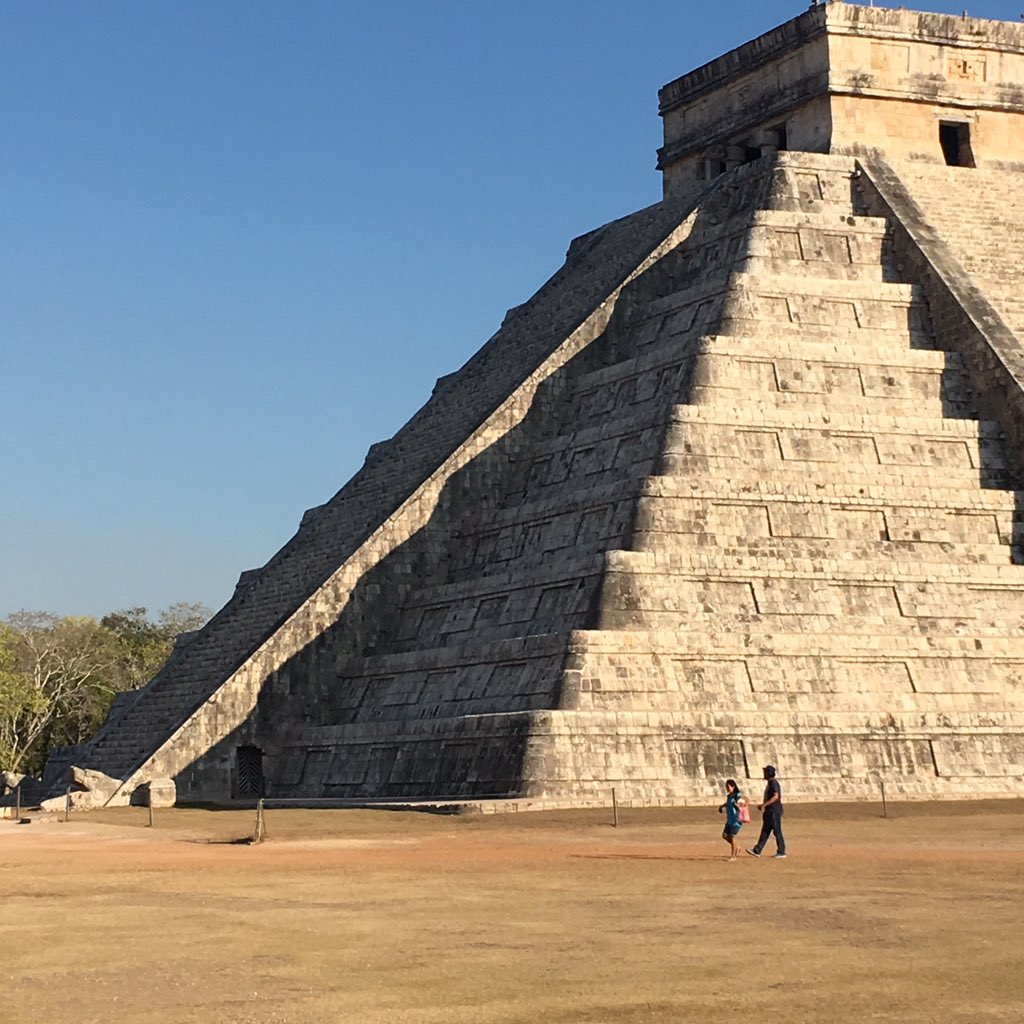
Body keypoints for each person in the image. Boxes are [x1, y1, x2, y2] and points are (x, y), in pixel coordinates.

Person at [746, 764, 786, 859]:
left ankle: (781, 851)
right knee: (765, 831)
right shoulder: (770, 783)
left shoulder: (773, 783)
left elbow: (776, 796)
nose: (764, 774)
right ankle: (757, 850)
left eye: (765, 772)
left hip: (774, 811)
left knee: (777, 831)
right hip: (769, 811)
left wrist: (764, 805)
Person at [717, 778, 745, 860]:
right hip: (730, 820)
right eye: (726, 787)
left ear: (733, 786)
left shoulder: (737, 795)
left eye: (728, 786)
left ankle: (733, 856)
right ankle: (737, 847)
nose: (727, 788)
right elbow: (728, 803)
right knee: (725, 835)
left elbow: (742, 803)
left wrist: (737, 805)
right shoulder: (729, 796)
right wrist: (722, 806)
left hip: (736, 820)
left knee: (732, 837)